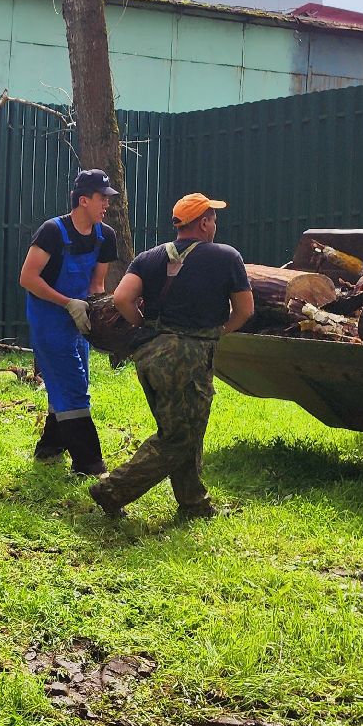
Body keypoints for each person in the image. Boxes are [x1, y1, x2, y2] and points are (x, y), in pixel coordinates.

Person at [89, 194, 254, 521]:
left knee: (181, 426)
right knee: (180, 435)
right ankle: (113, 489)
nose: (215, 224)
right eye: (213, 219)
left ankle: (193, 502)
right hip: (189, 355)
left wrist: (141, 324)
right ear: (204, 222)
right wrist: (222, 331)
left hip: (148, 352)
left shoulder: (148, 257)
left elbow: (122, 297)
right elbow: (246, 309)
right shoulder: (226, 257)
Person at [19, 169, 121, 475]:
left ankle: (50, 448)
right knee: (75, 389)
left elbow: (97, 286)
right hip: (49, 319)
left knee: (68, 383)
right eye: (102, 198)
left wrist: (102, 321)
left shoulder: (106, 236)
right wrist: (67, 303)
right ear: (83, 200)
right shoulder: (52, 231)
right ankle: (89, 464)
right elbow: (27, 278)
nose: (107, 204)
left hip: (79, 319)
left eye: (108, 198)